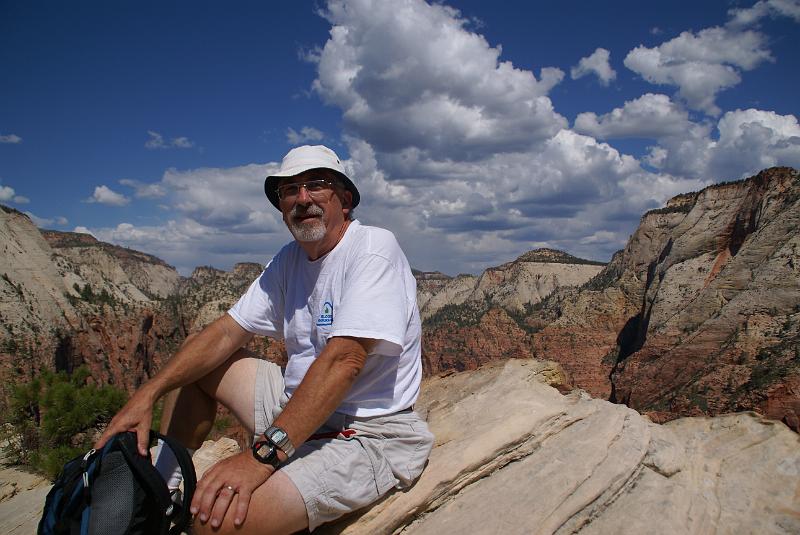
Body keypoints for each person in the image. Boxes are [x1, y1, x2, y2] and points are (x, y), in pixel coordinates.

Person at [95, 145, 434, 534]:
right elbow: (225, 332)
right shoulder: (289, 259)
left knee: (213, 522)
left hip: (367, 433)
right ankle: (163, 492)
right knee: (200, 362)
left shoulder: (374, 249)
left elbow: (345, 361)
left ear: (346, 198)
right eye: (289, 190)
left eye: (316, 185)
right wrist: (149, 392)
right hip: (297, 403)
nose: (302, 199)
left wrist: (260, 458)